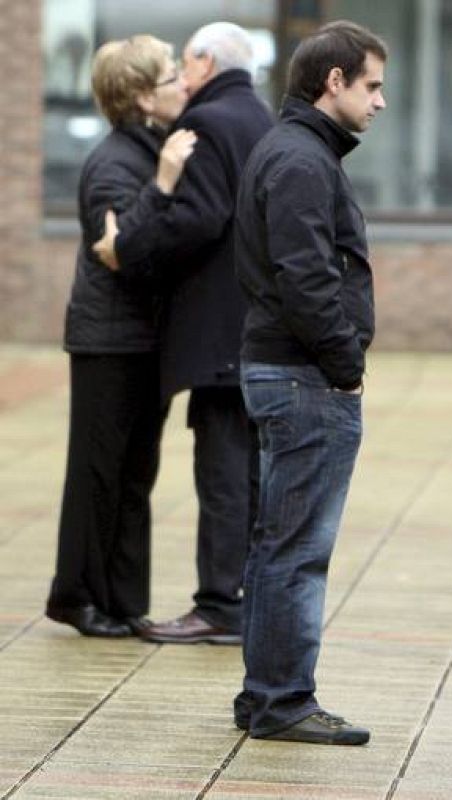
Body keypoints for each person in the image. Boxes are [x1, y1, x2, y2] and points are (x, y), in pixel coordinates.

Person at [231, 20, 386, 745]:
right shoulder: (299, 159)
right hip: (303, 378)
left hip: (289, 371)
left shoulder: (297, 150)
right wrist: (346, 366)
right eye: (372, 85)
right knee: (295, 549)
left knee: (276, 543)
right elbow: (306, 275)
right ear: (334, 82)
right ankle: (282, 699)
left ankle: (266, 693)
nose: (379, 102)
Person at [94, 22, 274, 644]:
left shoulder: (207, 122)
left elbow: (197, 218)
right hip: (255, 328)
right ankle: (246, 599)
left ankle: (219, 605)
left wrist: (130, 245)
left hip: (216, 334)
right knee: (250, 472)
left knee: (222, 474)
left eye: (182, 64)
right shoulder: (264, 119)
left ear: (202, 62)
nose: (180, 76)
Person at [45, 36, 195, 638]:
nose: (183, 82)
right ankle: (77, 597)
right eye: (171, 76)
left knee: (136, 472)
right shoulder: (114, 162)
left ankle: (122, 602)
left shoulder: (151, 148)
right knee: (99, 471)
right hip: (108, 341)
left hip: (144, 339)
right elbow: (120, 253)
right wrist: (161, 185)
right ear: (138, 96)